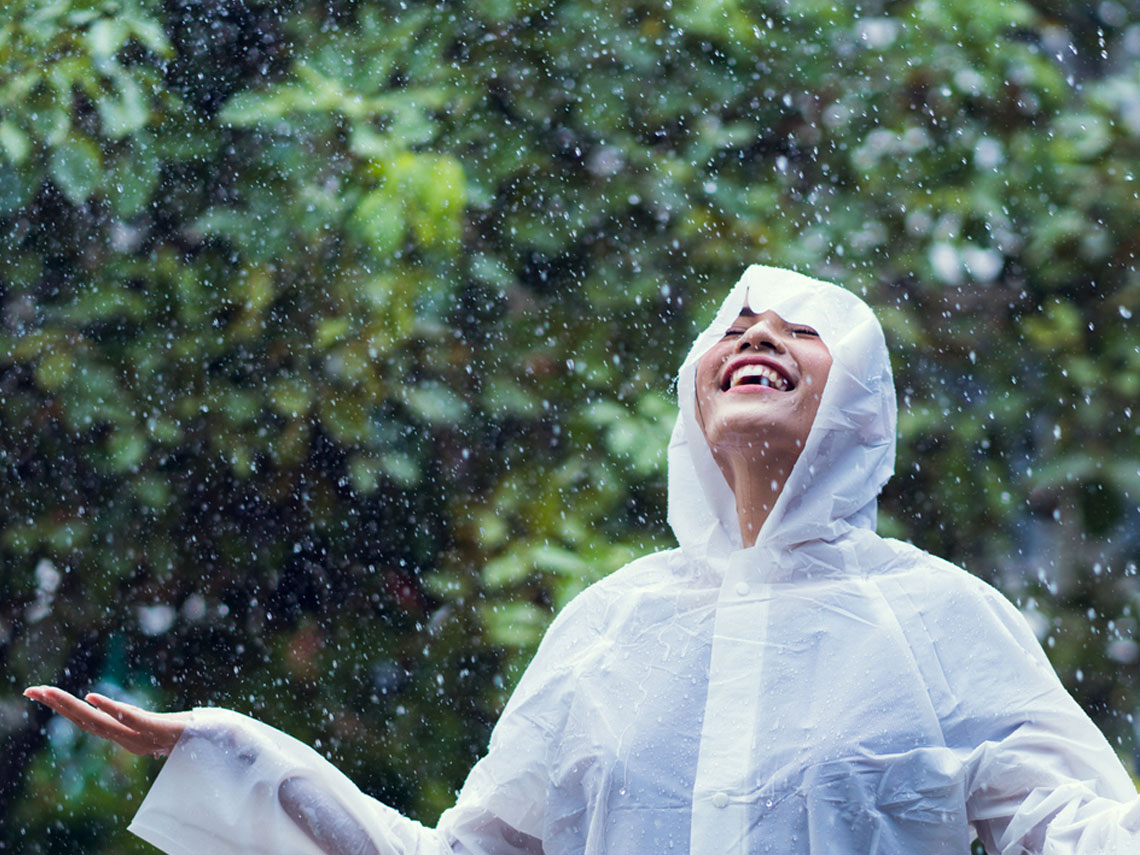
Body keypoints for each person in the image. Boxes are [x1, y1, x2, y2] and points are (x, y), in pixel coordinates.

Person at [26, 266, 1140, 854]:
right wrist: (233, 754)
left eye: (799, 328)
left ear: (859, 398)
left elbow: (1089, 830)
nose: (753, 335)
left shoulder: (942, 620)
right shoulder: (612, 626)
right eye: (732, 326)